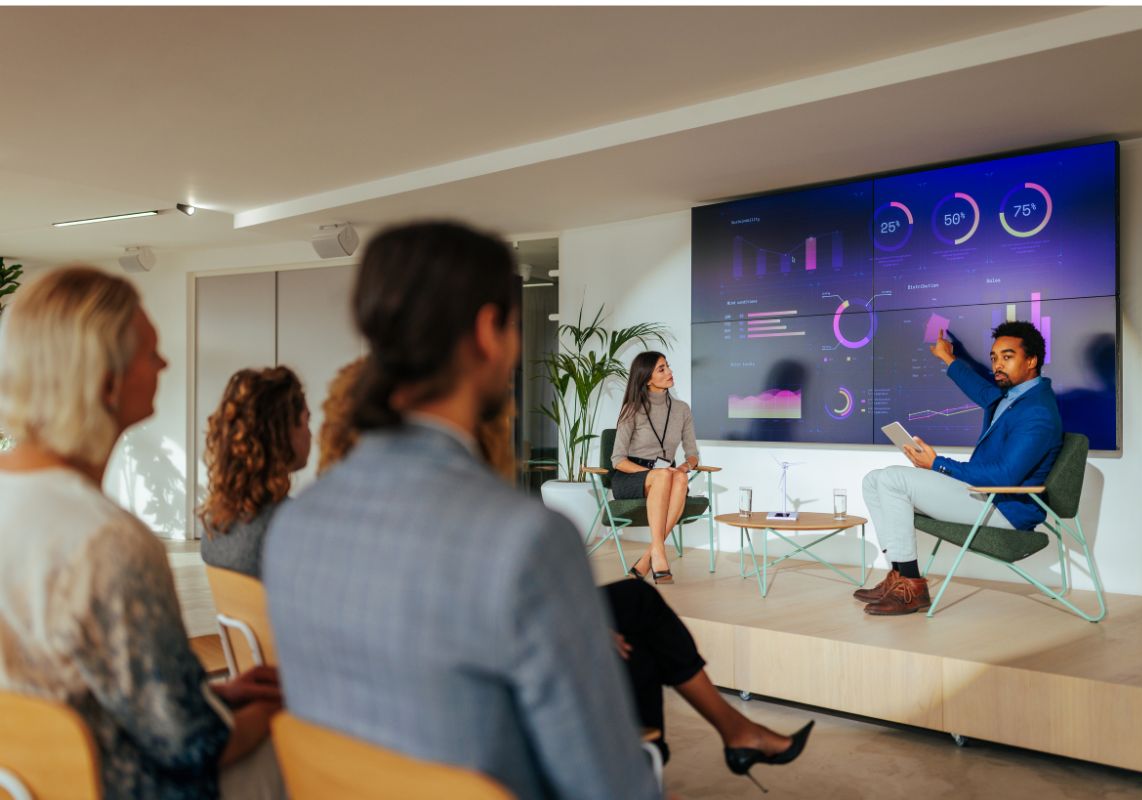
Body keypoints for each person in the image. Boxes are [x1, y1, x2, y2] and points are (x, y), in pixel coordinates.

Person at [263, 221, 660, 799]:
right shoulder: (528, 541)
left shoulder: (294, 526)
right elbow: (608, 788)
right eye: (514, 327)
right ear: (486, 332)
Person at [311, 358, 814, 781]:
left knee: (638, 596)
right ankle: (655, 767)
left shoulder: (309, 528)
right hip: (494, 738)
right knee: (636, 637)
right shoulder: (517, 528)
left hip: (398, 727)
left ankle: (654, 568)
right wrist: (579, 624)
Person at [0, 266, 283, 799]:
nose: (165, 364)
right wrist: (276, 709)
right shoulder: (107, 543)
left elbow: (69, 688)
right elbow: (195, 747)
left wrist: (210, 694)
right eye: (151, 352)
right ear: (105, 380)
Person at [858, 321, 1063, 616]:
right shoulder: (1012, 396)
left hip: (1004, 508)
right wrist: (946, 356)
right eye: (994, 357)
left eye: (1007, 357)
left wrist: (937, 463)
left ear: (1031, 361)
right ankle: (898, 575)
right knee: (873, 479)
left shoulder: (1037, 411)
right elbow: (978, 387)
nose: (997, 365)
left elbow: (1005, 476)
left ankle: (912, 586)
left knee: (892, 479)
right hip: (982, 495)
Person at [199, 366, 311, 578]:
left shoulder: (214, 524)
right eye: (306, 421)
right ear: (282, 432)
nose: (310, 434)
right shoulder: (292, 524)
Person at [611, 351, 700, 584]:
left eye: (667, 366)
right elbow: (618, 460)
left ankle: (648, 557)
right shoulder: (632, 408)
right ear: (647, 378)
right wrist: (654, 473)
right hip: (631, 476)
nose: (669, 372)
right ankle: (658, 554)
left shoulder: (682, 409)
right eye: (662, 368)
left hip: (667, 475)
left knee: (680, 478)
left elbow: (693, 454)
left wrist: (684, 467)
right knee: (663, 476)